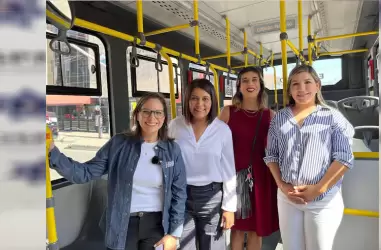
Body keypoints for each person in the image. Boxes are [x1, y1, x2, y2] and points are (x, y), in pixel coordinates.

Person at [48, 93, 187, 250]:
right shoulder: (119, 144)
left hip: (157, 225)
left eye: (158, 112)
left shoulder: (172, 150)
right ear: (137, 114)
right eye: (146, 111)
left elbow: (179, 193)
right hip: (122, 224)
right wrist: (53, 152)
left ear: (164, 118)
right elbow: (84, 173)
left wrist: (173, 234)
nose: (152, 117)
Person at [264, 64, 355, 250]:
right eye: (295, 84)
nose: (301, 89)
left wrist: (318, 189)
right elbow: (271, 155)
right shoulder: (279, 118)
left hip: (322, 200)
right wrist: (282, 185)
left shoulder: (332, 117)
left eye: (307, 82)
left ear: (317, 86)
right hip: (288, 198)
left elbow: (344, 158)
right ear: (289, 89)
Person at [168, 78, 237, 250]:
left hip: (212, 196)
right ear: (187, 101)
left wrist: (229, 208)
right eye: (194, 98)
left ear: (212, 101)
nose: (199, 104)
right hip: (181, 196)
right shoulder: (175, 125)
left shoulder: (222, 130)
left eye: (205, 99)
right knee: (184, 246)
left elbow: (229, 170)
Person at [219, 66, 279, 250]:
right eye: (245, 80)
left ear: (260, 85)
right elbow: (215, 145)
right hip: (234, 177)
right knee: (237, 229)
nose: (250, 84)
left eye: (254, 79)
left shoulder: (270, 115)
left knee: (256, 230)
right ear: (238, 86)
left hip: (261, 179)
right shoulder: (228, 112)